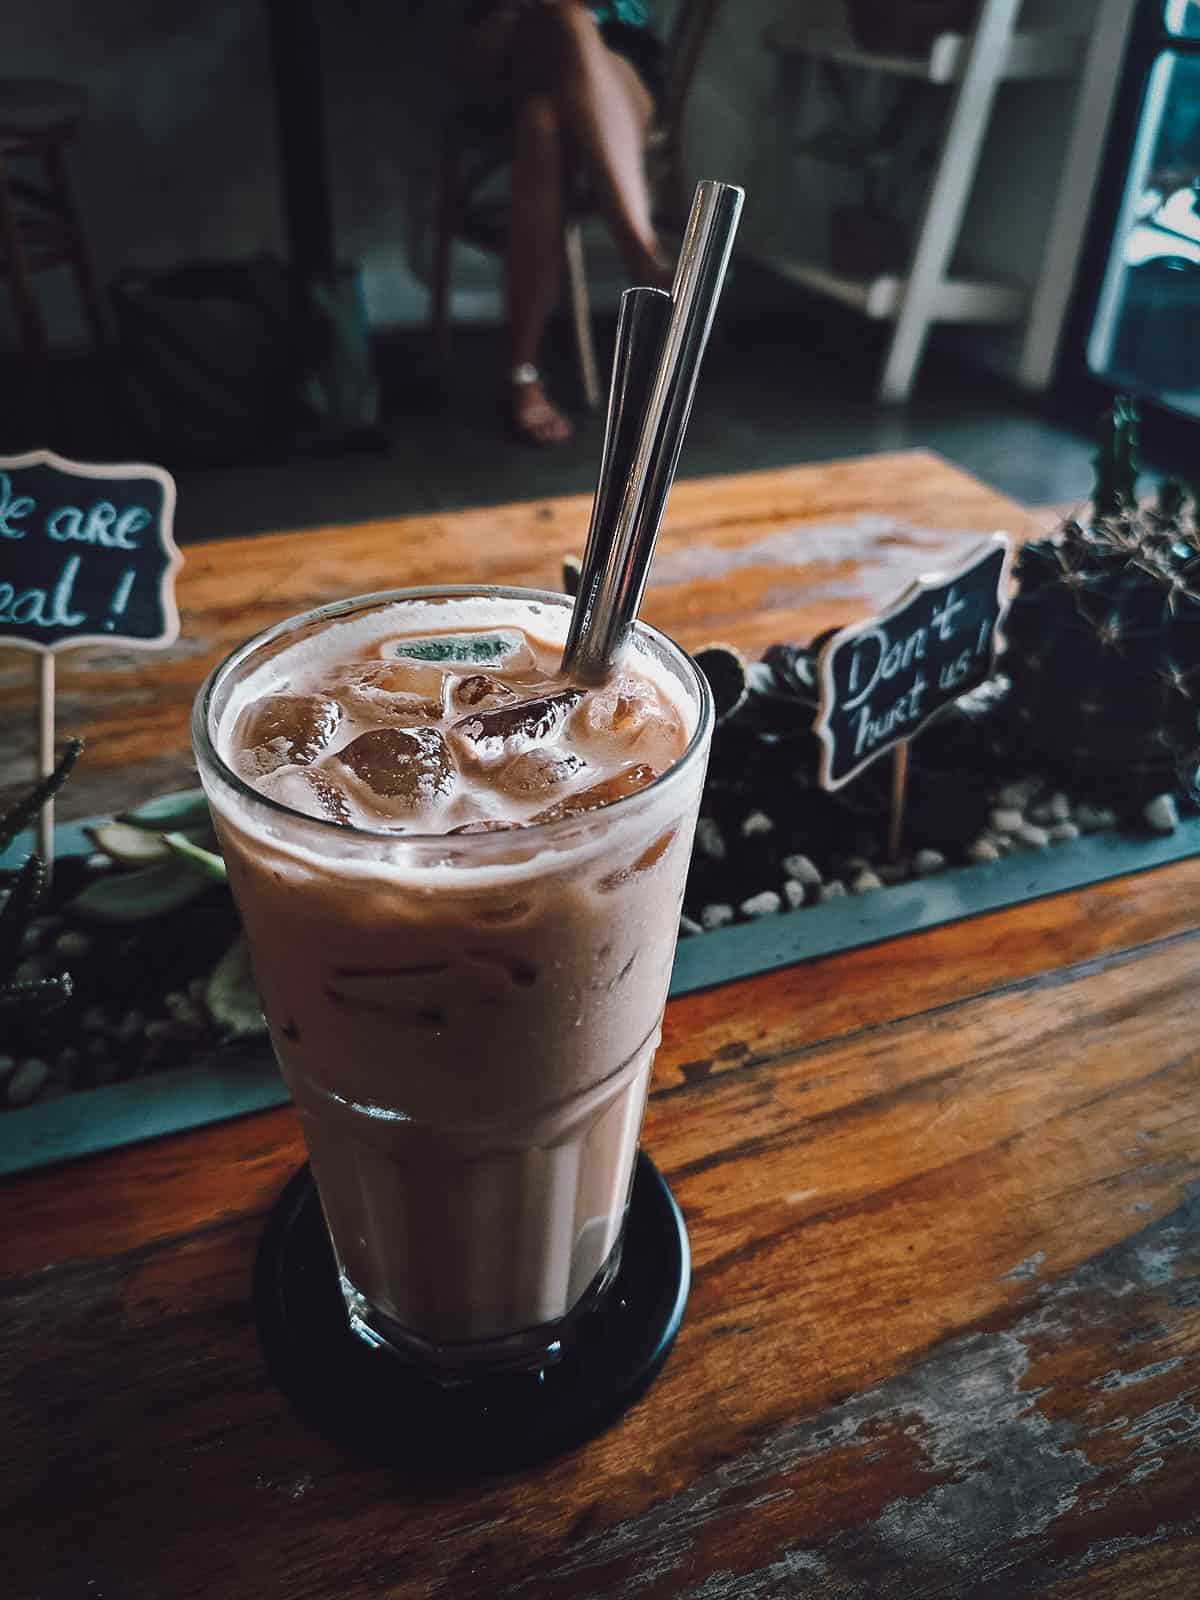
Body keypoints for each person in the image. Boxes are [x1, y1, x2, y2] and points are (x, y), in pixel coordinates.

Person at [459, 1, 670, 444]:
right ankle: (645, 260)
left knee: (543, 123)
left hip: (617, 59)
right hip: (511, 51)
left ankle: (522, 372)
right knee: (565, 20)